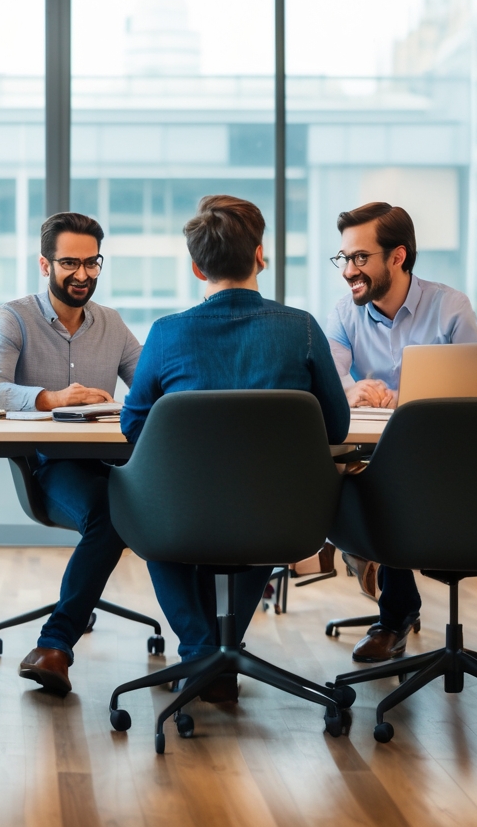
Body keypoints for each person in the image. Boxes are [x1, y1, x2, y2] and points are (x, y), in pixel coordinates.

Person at [122, 195, 349, 703]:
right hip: (281, 514)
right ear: (260, 257)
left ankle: (201, 651)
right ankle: (220, 653)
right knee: (258, 511)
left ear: (197, 267)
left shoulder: (166, 333)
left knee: (147, 512)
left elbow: (134, 427)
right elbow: (336, 426)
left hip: (182, 512)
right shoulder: (301, 329)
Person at [325, 201, 477, 664]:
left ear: (398, 256)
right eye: (344, 258)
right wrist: (349, 390)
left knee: (384, 487)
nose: (348, 271)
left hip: (444, 459)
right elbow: (328, 380)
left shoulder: (448, 306)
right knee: (345, 483)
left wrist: (416, 396)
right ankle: (396, 606)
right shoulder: (345, 314)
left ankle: (393, 611)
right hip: (378, 458)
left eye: (360, 257)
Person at [0, 212, 141, 697]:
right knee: (112, 514)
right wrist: (51, 399)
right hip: (51, 465)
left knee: (164, 499)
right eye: (70, 263)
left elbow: (150, 386)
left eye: (92, 263)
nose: (82, 274)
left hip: (115, 463)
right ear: (45, 264)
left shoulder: (111, 323)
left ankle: (203, 650)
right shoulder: (13, 317)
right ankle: (53, 646)